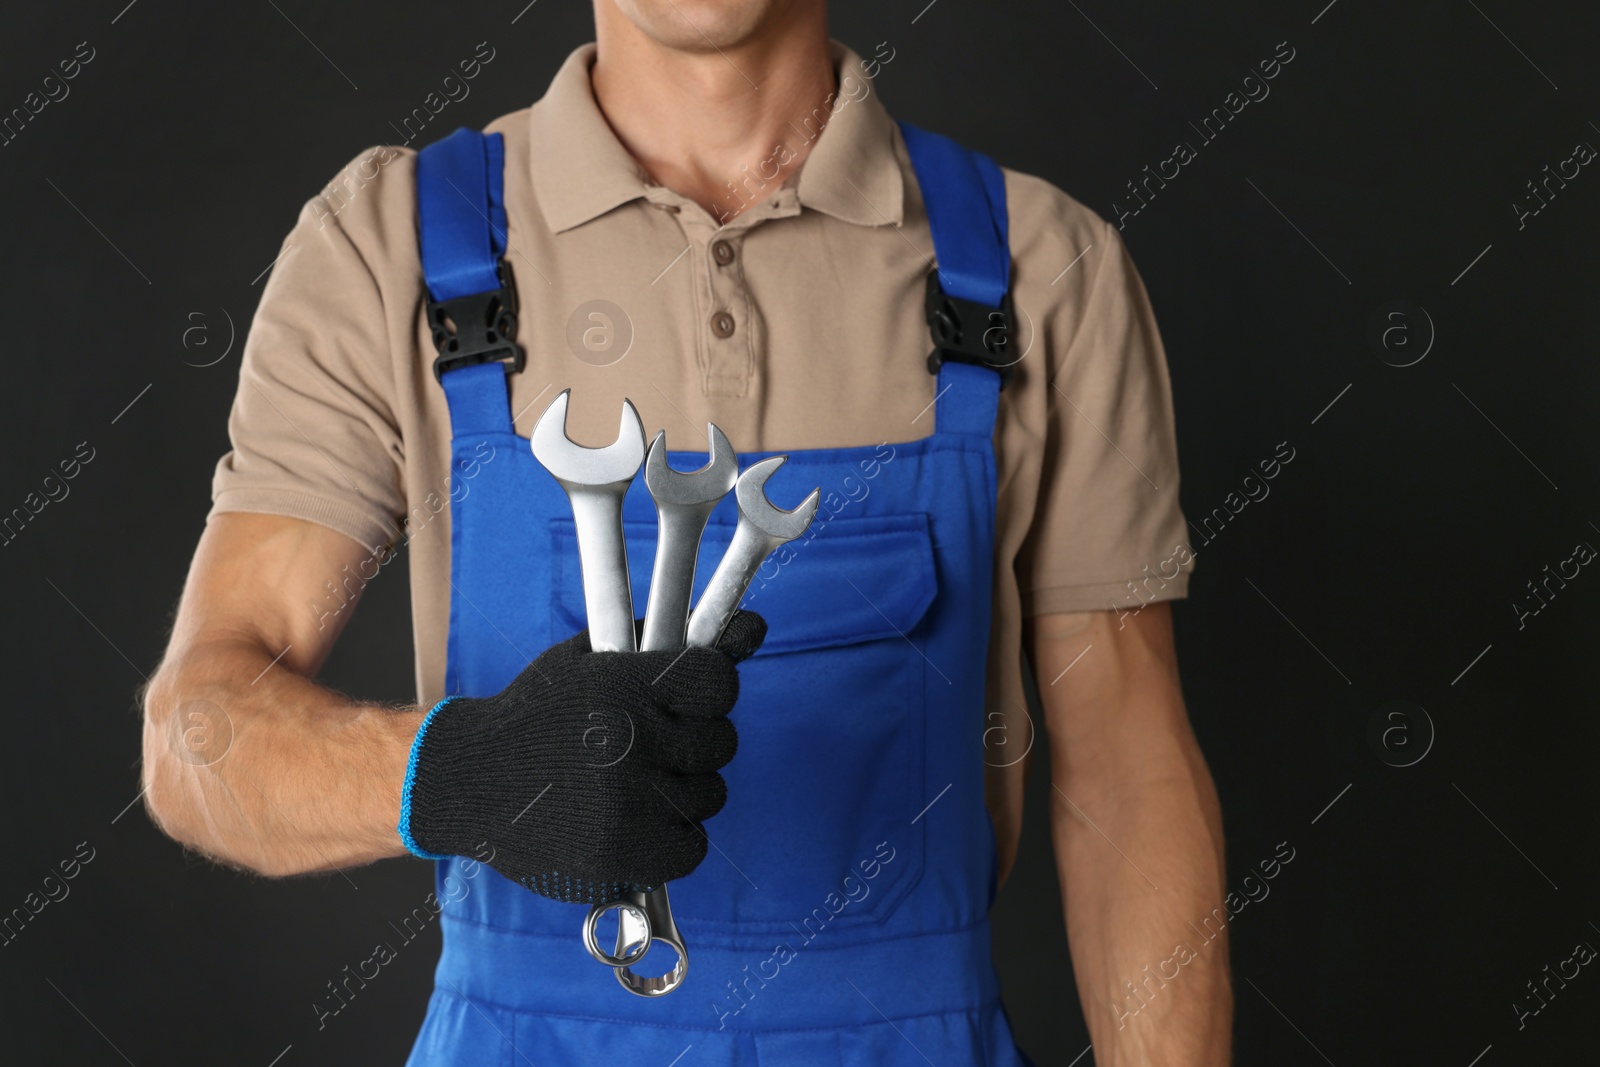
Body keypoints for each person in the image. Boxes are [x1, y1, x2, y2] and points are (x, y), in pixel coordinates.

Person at [140, 1, 1232, 1062]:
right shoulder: (387, 248)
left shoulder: (1043, 269)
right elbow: (197, 740)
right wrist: (470, 773)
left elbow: (1127, 772)